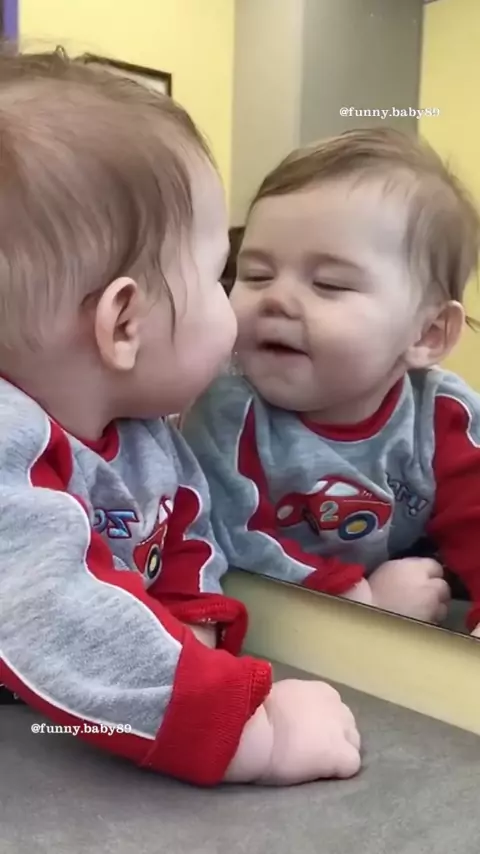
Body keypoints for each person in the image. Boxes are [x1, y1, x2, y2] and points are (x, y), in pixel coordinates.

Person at [0, 48, 361, 788]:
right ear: (124, 324)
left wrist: (190, 623)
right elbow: (54, 611)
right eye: (217, 277)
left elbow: (179, 538)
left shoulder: (145, 436)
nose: (240, 306)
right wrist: (248, 734)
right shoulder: (10, 443)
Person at [184, 127, 480, 635]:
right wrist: (362, 599)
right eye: (255, 275)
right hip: (289, 629)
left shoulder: (443, 413)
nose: (277, 299)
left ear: (427, 333)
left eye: (328, 284)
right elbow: (234, 537)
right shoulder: (229, 409)